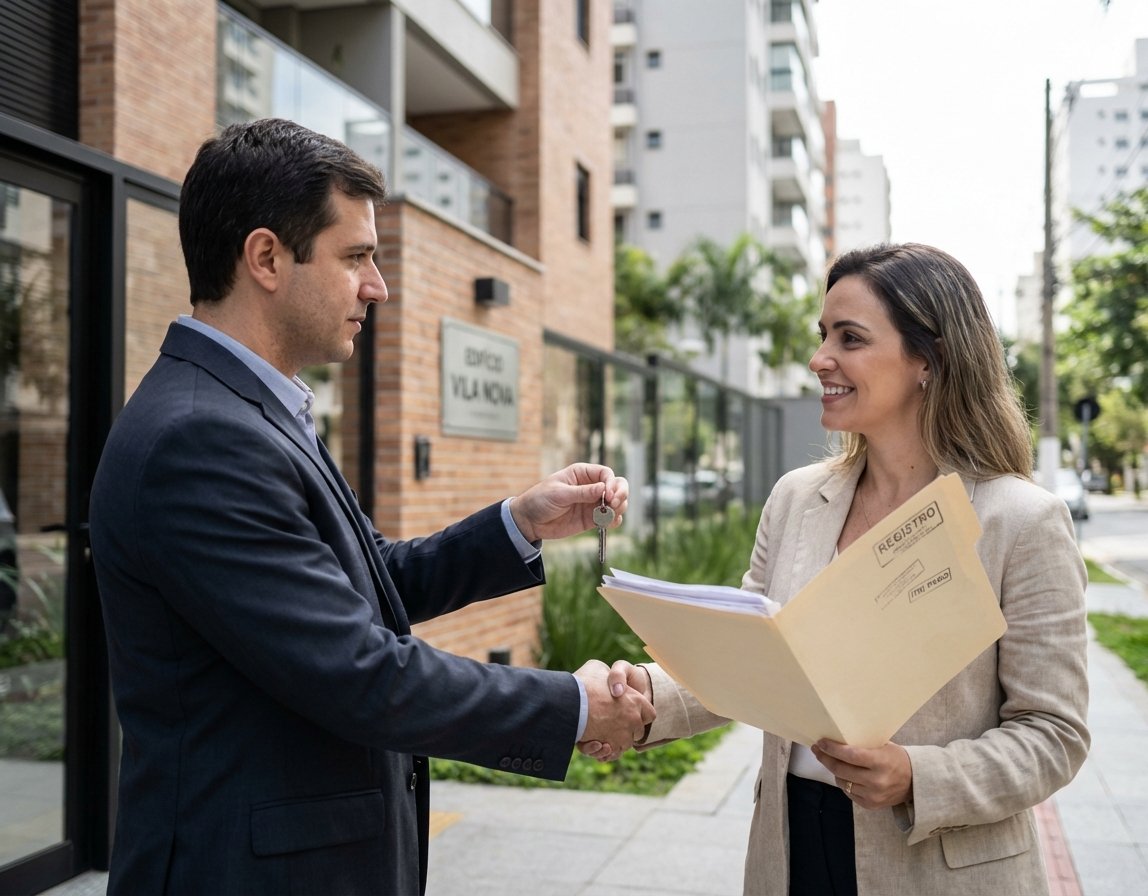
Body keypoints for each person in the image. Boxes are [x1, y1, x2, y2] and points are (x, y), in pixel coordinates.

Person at [89, 119, 653, 896]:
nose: (378, 285)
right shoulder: (200, 438)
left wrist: (518, 522)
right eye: (356, 257)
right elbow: (359, 672)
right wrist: (575, 706)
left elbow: (364, 581)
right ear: (265, 258)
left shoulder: (249, 411)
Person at [588, 243, 1090, 896]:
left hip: (934, 865)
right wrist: (642, 700)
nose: (819, 358)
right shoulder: (797, 497)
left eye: (849, 338)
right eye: (824, 334)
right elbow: (749, 662)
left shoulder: (1022, 522)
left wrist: (917, 775)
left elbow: (1054, 735)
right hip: (791, 846)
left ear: (929, 361)